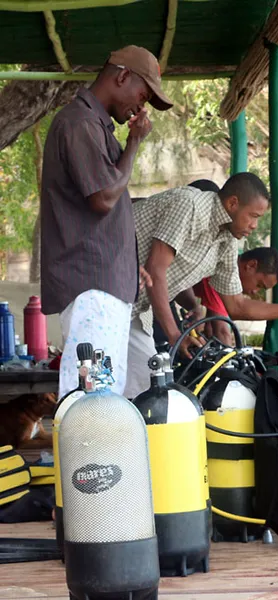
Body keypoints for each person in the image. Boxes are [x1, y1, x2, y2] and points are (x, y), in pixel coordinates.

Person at [40, 45, 173, 399]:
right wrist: (133, 144)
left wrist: (131, 265)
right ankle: (88, 457)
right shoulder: (79, 123)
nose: (141, 108)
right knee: (92, 396)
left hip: (104, 288)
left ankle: (98, 455)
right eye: (142, 95)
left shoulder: (93, 126)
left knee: (103, 393)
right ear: (122, 76)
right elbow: (102, 199)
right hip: (91, 291)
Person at [125, 172, 278, 399]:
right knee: (90, 380)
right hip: (103, 290)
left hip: (133, 311)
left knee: (149, 390)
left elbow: (237, 305)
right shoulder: (190, 205)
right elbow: (156, 269)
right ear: (233, 203)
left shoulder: (228, 241)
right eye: (253, 216)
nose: (254, 225)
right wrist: (175, 334)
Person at [192, 247, 278, 345]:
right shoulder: (222, 273)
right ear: (251, 265)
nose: (255, 291)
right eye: (259, 285)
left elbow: (211, 326)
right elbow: (222, 332)